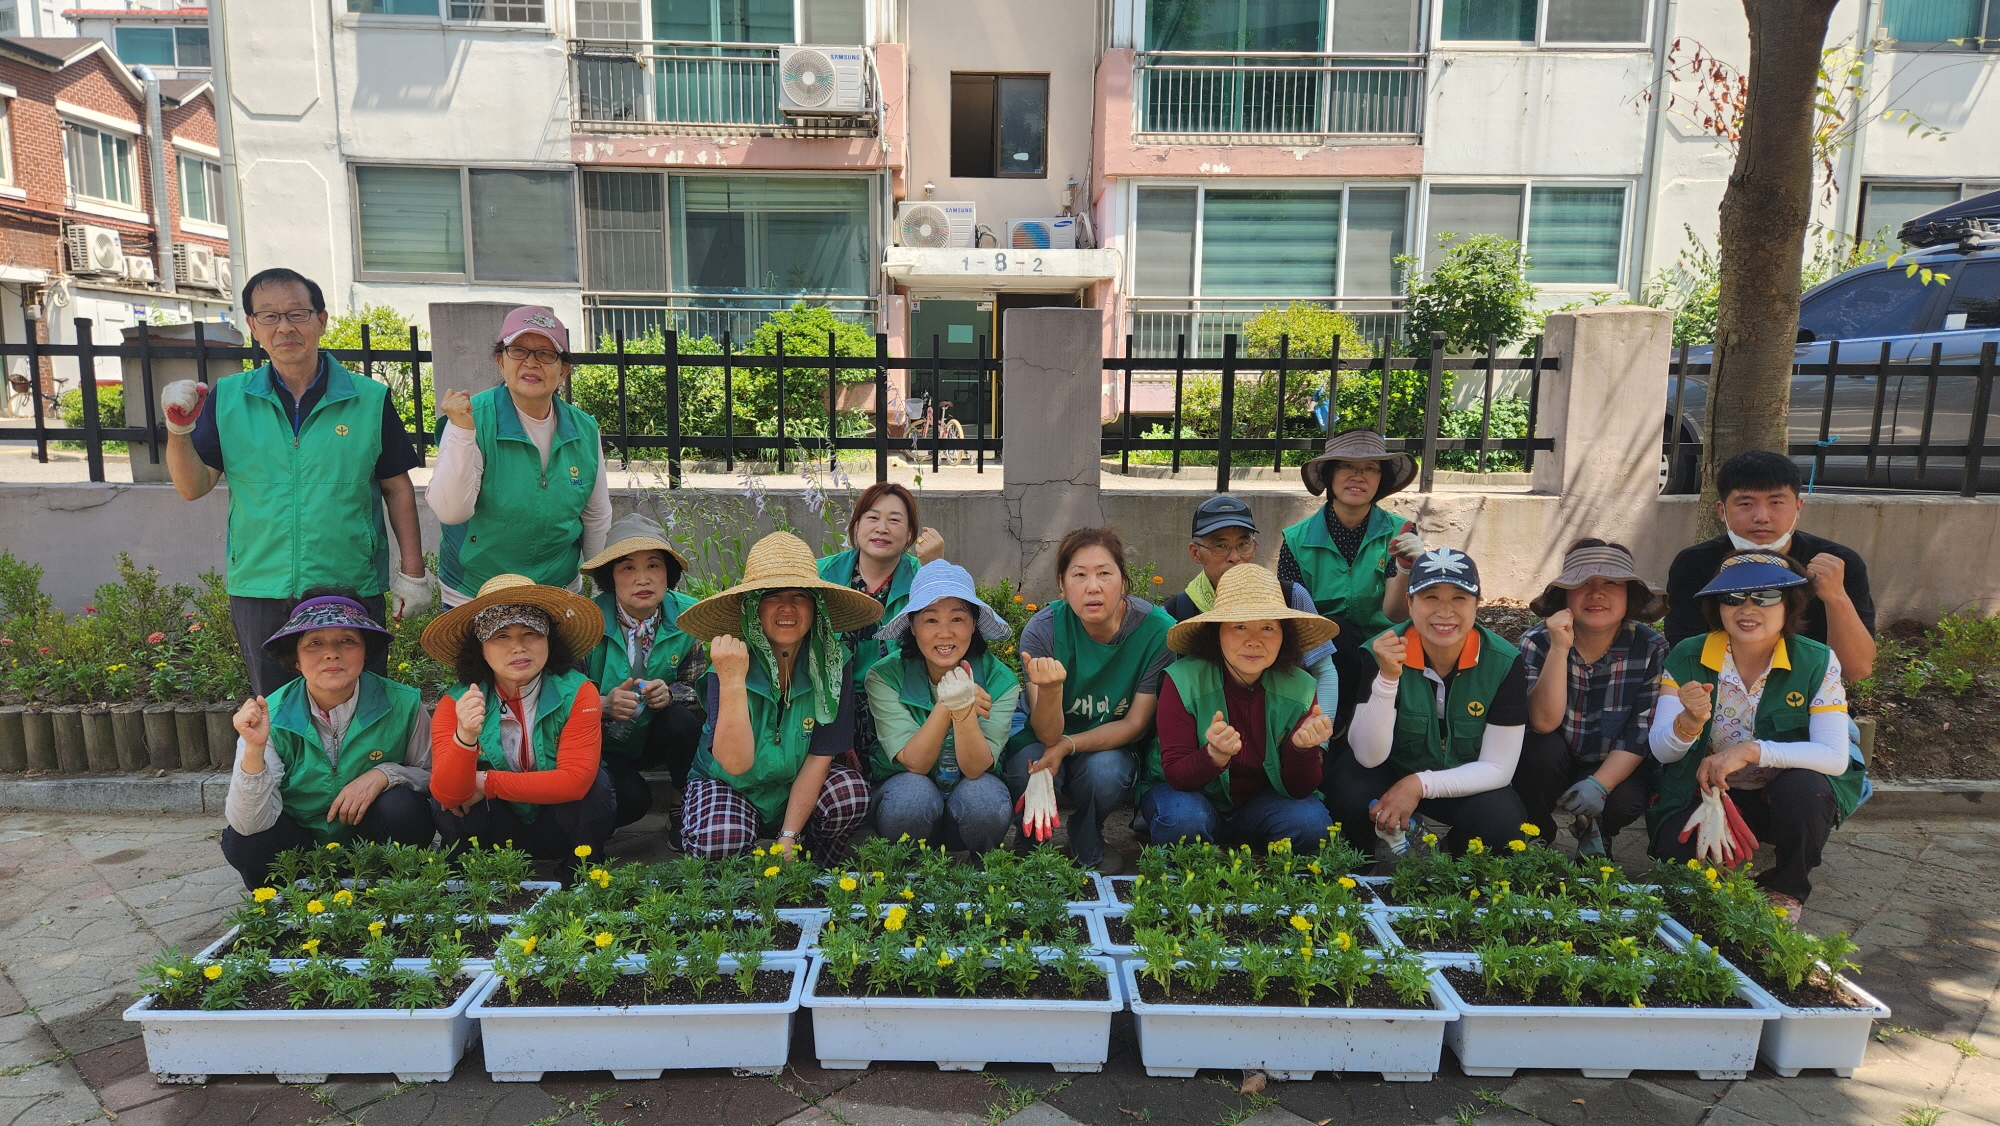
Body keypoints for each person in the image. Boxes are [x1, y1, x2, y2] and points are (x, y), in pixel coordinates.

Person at [160, 268, 433, 697]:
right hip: (261, 583)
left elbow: (397, 487)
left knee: (363, 706)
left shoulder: (368, 398)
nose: (284, 327)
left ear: (321, 321)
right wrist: (179, 431)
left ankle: (370, 769)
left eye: (297, 314)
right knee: (278, 711)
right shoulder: (229, 398)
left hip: (350, 581)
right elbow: (192, 487)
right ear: (252, 326)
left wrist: (413, 573)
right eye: (268, 316)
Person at [1649, 551, 1867, 920]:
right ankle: (1725, 852)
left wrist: (1752, 751)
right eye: (1732, 597)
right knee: (1675, 862)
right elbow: (1662, 752)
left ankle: (1787, 886)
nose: (1747, 609)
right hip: (1706, 793)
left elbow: (1834, 755)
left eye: (1765, 597)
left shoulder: (1815, 659)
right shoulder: (1688, 655)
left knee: (1808, 789)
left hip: (1777, 795)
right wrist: (1688, 721)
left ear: (1790, 605)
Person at [676, 532, 884, 860]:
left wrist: (788, 836)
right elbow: (735, 762)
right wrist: (732, 681)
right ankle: (730, 887)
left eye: (800, 596)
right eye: (772, 596)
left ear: (816, 607)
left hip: (797, 783)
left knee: (849, 795)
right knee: (719, 836)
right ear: (753, 606)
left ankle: (816, 867)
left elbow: (820, 755)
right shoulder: (728, 661)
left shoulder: (834, 662)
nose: (787, 608)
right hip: (730, 785)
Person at [220, 592, 433, 888]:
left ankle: (389, 890)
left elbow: (431, 776)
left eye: (347, 641)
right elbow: (248, 824)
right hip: (300, 845)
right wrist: (254, 750)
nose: (331, 653)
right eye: (315, 643)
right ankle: (290, 905)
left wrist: (385, 774)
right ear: (295, 657)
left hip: (371, 840)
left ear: (365, 651)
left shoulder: (403, 704)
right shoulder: (270, 715)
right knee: (241, 840)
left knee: (404, 807)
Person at [1330, 547, 1532, 857]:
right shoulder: (1381, 651)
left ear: (1477, 604)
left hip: (1462, 779)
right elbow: (1369, 756)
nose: (1445, 611)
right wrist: (1387, 679)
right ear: (1410, 602)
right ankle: (1361, 865)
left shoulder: (1504, 663)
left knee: (1503, 823)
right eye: (1430, 597)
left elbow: (1498, 767)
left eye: (1459, 598)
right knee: (1348, 788)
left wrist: (1417, 785)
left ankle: (1455, 865)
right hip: (1390, 770)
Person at [1004, 527, 1177, 875]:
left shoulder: (1157, 631)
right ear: (1062, 584)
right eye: (1079, 575)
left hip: (1108, 741)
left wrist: (1068, 745)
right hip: (1042, 734)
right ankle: (1032, 838)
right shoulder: (1044, 629)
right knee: (1029, 762)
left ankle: (1087, 834)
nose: (1092, 587)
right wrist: (1052, 691)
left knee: (1107, 772)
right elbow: (1046, 734)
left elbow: (1135, 723)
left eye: (1104, 574)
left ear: (1123, 582)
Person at [1139, 564, 1339, 852]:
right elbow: (1176, 775)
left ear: (1285, 636)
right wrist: (1213, 755)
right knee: (1182, 820)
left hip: (1260, 805)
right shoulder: (1183, 679)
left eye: (1268, 627)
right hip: (1189, 796)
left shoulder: (1302, 688)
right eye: (1239, 626)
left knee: (1312, 823)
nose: (1254, 641)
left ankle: (1256, 870)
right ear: (1216, 632)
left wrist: (1304, 751)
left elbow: (1300, 789)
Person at [422, 575, 615, 863]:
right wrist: (465, 737)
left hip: (557, 826)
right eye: (501, 636)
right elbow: (447, 795)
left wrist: (486, 782)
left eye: (531, 633)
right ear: (481, 649)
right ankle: (470, 878)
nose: (518, 647)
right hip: (495, 830)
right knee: (448, 802)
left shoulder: (579, 692)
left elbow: (575, 781)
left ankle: (581, 875)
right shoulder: (456, 702)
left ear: (549, 640)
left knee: (596, 787)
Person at [429, 306, 612, 607]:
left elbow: (596, 518)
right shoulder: (469, 418)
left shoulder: (584, 428)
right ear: (500, 362)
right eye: (518, 351)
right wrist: (462, 432)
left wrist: (605, 590)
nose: (531, 362)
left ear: (563, 370)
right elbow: (452, 512)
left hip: (557, 589)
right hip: (475, 592)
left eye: (545, 354)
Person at [1514, 540, 1669, 857]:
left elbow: (1640, 731)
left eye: (1611, 583)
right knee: (1536, 756)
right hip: (1554, 756)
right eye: (1582, 583)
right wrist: (1559, 648)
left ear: (1630, 595)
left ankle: (1600, 831)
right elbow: (1542, 722)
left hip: (1614, 760)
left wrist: (1600, 784)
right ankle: (1538, 835)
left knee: (1625, 802)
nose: (1596, 593)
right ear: (1564, 596)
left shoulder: (1651, 647)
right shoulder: (1537, 641)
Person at [1664, 450, 1875, 680]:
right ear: (1721, 511)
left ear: (1798, 507)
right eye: (1745, 503)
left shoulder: (1837, 565)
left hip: (1814, 700)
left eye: (1776, 502)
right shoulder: (1693, 565)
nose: (1762, 516)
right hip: (1718, 696)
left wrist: (1836, 597)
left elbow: (1857, 670)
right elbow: (1684, 659)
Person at [865, 561, 1021, 854]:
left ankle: (978, 875)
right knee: (912, 796)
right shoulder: (884, 676)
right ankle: (906, 873)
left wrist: (963, 714)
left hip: (968, 806)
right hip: (906, 806)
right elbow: (916, 763)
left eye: (958, 619)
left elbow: (976, 768)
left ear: (974, 625)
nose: (945, 633)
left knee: (985, 800)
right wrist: (951, 702)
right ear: (912, 626)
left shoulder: (1002, 681)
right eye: (931, 620)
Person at [1165, 494, 1341, 728]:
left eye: (1243, 544)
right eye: (1220, 545)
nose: (1235, 557)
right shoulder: (1179, 610)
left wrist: (1318, 741)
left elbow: (1324, 670)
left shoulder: (1290, 598)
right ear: (1196, 553)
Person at [578, 513, 707, 830]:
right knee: (631, 802)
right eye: (628, 568)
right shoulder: (586, 622)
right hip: (602, 743)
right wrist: (603, 704)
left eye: (653, 565)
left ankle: (682, 808)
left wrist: (672, 693)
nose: (643, 579)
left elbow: (701, 682)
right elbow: (565, 695)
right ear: (611, 576)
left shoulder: (689, 616)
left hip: (655, 734)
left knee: (681, 722)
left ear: (668, 572)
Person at [816, 483, 945, 762]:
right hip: (826, 716)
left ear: (911, 533)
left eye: (894, 520)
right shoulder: (819, 576)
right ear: (857, 524)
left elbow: (951, 637)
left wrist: (935, 570)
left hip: (902, 713)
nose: (882, 528)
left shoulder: (926, 576)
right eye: (872, 517)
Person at [1276, 429, 1428, 637]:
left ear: (1381, 478)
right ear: (1330, 474)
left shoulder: (1400, 532)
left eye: (1370, 468)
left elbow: (1396, 614)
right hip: (1321, 649)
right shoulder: (1296, 539)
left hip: (1385, 648)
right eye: (1347, 466)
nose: (1358, 476)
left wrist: (1406, 569)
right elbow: (1294, 616)